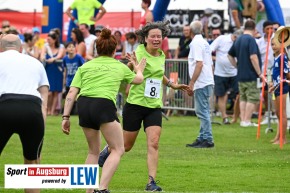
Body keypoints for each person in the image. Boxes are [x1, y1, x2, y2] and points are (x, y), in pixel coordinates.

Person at [98, 21, 190, 192]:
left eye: (159, 36)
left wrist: (172, 84)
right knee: (126, 146)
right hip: (135, 104)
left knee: (154, 143)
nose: (156, 39)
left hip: (154, 106)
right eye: (153, 36)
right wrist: (132, 64)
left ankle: (151, 182)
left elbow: (158, 74)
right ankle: (107, 149)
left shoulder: (161, 55)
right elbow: (129, 72)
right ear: (145, 38)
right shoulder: (138, 53)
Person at [62, 28, 146, 193]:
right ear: (115, 50)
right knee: (118, 148)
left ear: (97, 50)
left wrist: (65, 116)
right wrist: (139, 68)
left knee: (93, 152)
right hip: (103, 104)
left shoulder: (85, 66)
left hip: (84, 105)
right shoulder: (118, 66)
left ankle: (89, 191)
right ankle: (102, 188)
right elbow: (138, 80)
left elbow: (72, 92)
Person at [0, 34, 49, 193]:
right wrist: (42, 124)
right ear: (21, 48)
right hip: (32, 108)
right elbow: (44, 100)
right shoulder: (35, 62)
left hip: (4, 106)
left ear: (1, 48)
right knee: (32, 164)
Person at [228, 19, 265, 127]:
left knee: (243, 97)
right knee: (252, 97)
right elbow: (253, 57)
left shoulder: (238, 40)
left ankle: (243, 120)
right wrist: (259, 73)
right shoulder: (251, 40)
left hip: (240, 75)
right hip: (251, 75)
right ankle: (247, 120)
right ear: (254, 29)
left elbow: (229, 55)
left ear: (244, 28)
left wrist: (237, 66)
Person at [185, 20, 215, 148]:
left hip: (201, 82)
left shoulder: (196, 43)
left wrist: (192, 82)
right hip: (207, 80)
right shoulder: (204, 42)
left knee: (201, 111)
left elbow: (199, 63)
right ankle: (202, 137)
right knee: (204, 110)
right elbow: (209, 64)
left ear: (191, 31)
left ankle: (208, 139)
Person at [210, 29, 242, 124]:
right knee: (221, 95)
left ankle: (235, 117)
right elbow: (210, 49)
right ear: (235, 36)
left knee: (240, 94)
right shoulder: (221, 39)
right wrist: (212, 62)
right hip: (220, 73)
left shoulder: (238, 42)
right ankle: (224, 117)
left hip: (235, 72)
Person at [268, 37, 290, 144]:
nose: (273, 46)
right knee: (277, 113)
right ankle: (278, 136)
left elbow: (286, 73)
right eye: (272, 44)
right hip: (276, 87)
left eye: (275, 44)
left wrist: (282, 81)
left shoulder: (283, 57)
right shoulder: (277, 57)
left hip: (282, 86)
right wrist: (272, 83)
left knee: (282, 113)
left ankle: (283, 138)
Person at [40, 31, 65, 116]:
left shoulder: (61, 46)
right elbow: (42, 55)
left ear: (54, 40)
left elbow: (60, 55)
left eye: (50, 39)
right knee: (49, 92)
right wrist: (43, 58)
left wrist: (53, 59)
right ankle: (48, 109)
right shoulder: (45, 46)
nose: (48, 41)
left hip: (57, 70)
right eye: (47, 39)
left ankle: (52, 111)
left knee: (56, 91)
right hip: (48, 70)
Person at [256, 21, 275, 125]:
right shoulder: (258, 42)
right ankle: (267, 115)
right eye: (268, 28)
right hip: (263, 72)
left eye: (272, 28)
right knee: (264, 94)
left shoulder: (276, 41)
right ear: (263, 30)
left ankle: (274, 114)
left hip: (274, 72)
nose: (270, 30)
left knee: (274, 94)